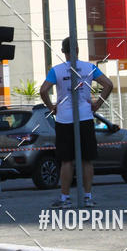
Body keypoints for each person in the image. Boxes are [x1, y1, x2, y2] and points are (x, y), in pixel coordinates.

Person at [40, 38, 113, 208]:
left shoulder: (56, 70)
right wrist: (97, 104)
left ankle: (65, 199)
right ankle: (87, 197)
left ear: (64, 51)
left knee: (66, 161)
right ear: (78, 50)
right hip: (85, 117)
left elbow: (43, 90)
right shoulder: (89, 68)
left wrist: (51, 107)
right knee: (87, 160)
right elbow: (108, 84)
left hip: (64, 119)